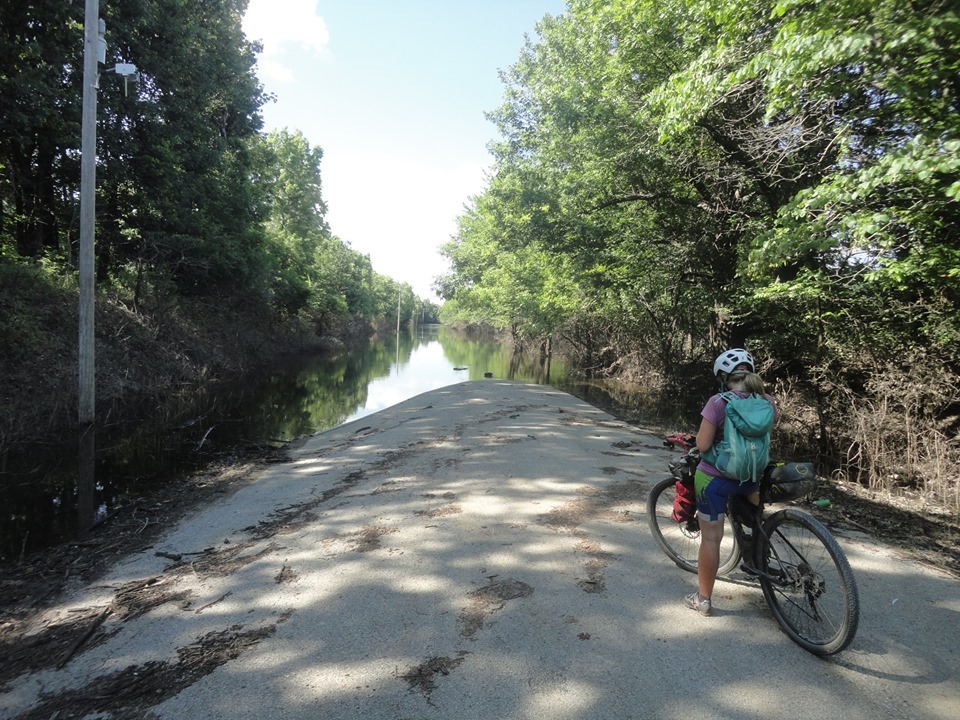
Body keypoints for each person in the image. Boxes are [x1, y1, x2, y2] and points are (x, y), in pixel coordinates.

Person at [684, 349, 778, 616]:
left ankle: (702, 599)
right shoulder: (767, 402)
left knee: (711, 539)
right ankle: (757, 555)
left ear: (723, 377)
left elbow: (702, 445)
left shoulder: (718, 402)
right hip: (751, 478)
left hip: (715, 480)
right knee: (755, 520)